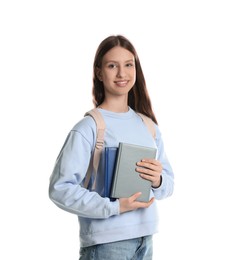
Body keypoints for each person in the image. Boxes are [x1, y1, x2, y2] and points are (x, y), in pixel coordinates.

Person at [49, 35, 174, 260]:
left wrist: (158, 180)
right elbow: (60, 188)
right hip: (106, 245)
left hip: (145, 239)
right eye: (112, 66)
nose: (122, 74)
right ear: (99, 72)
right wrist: (114, 208)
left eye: (128, 65)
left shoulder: (148, 126)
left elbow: (168, 184)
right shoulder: (89, 128)